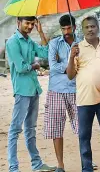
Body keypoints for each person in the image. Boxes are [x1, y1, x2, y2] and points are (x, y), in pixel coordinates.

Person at [6, 16, 55, 172]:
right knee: (15, 129)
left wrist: (41, 33)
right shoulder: (12, 42)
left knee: (30, 128)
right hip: (22, 90)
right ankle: (13, 168)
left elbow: (46, 53)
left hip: (33, 89)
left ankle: (37, 164)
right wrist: (34, 65)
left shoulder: (30, 41)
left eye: (32, 24)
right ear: (18, 23)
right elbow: (21, 67)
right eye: (27, 23)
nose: (30, 26)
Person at [66, 16, 100, 172]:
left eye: (92, 26)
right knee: (84, 137)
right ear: (82, 30)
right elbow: (70, 75)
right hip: (84, 100)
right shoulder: (77, 48)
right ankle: (86, 167)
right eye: (86, 27)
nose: (90, 29)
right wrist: (71, 57)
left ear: (98, 27)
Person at [44, 15, 79, 172]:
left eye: (69, 28)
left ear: (75, 27)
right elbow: (52, 66)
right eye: (63, 28)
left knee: (82, 128)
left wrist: (64, 65)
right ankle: (60, 165)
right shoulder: (54, 43)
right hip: (56, 90)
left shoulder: (82, 44)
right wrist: (70, 66)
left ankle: (86, 160)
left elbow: (84, 65)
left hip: (77, 89)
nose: (66, 31)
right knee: (56, 128)